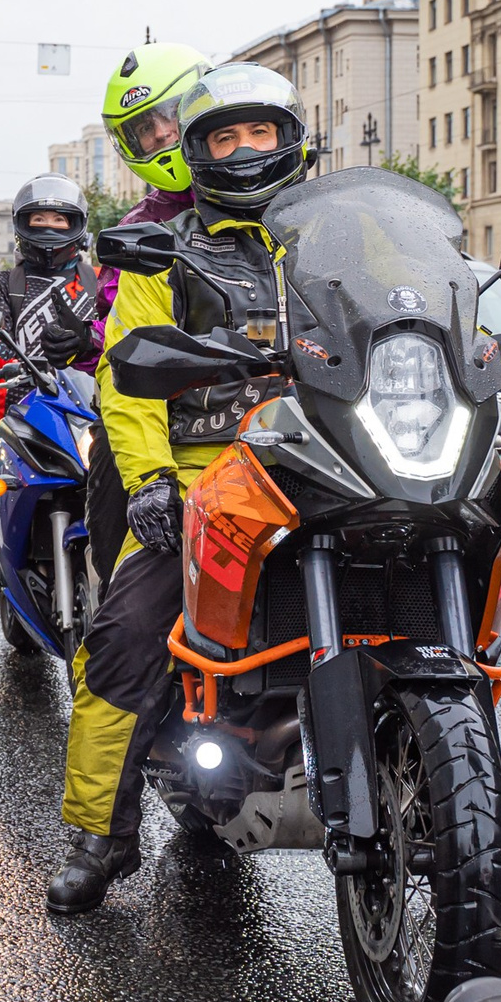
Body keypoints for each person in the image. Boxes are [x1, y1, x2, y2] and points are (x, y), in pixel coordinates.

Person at [49, 63, 306, 915]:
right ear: (198, 151)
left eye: (257, 131)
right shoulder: (169, 245)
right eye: (223, 136)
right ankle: (106, 835)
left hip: (333, 456)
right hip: (211, 479)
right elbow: (128, 378)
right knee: (125, 633)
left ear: (287, 135)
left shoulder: (334, 233)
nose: (242, 150)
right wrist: (154, 479)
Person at [0, 173, 101, 681]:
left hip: (89, 412)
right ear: (22, 227)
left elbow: (116, 337)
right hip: (16, 412)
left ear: (77, 226)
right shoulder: (3, 284)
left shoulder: (98, 283)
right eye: (38, 219)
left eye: (59, 219)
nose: (49, 227)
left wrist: (87, 343)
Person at [81, 43, 210, 585]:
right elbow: (118, 320)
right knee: (116, 477)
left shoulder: (278, 195)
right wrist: (86, 337)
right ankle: (113, 593)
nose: (160, 137)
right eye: (144, 130)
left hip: (278, 392)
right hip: (165, 401)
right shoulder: (139, 229)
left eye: (169, 118)